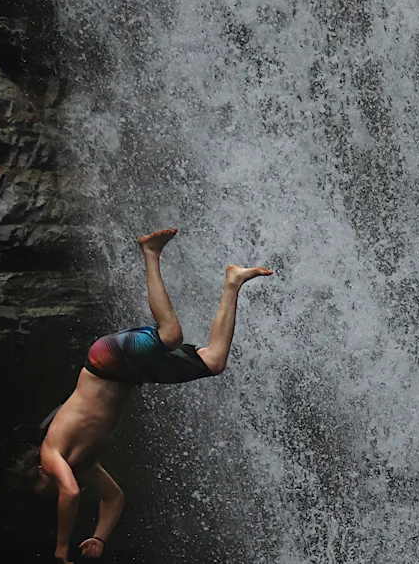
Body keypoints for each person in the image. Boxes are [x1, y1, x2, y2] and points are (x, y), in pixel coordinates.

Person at [18, 228, 272, 563]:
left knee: (169, 335)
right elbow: (114, 499)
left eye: (45, 486)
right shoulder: (86, 464)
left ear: (38, 470)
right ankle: (233, 281)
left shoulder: (51, 453)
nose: (53, 489)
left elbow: (70, 492)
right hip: (133, 375)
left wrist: (61, 548)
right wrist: (99, 537)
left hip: (104, 362)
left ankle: (150, 252)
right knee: (214, 361)